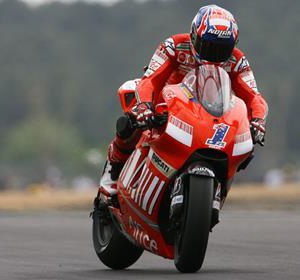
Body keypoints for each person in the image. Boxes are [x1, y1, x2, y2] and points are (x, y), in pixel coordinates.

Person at [99, 4, 268, 195]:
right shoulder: (174, 45)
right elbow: (150, 80)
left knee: (244, 148)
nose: (214, 55)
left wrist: (258, 120)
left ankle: (216, 189)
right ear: (195, 36)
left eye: (222, 49)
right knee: (131, 121)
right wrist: (145, 107)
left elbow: (254, 97)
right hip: (167, 106)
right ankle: (113, 169)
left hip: (210, 113)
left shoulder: (238, 61)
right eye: (209, 47)